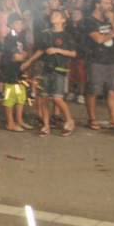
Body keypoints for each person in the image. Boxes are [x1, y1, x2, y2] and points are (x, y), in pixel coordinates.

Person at [22, 9, 76, 137]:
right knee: (44, 98)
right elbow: (41, 50)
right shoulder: (47, 34)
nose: (53, 16)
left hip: (60, 69)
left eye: (57, 15)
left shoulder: (66, 35)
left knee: (57, 98)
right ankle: (46, 126)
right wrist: (29, 61)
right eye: (53, 15)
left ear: (63, 20)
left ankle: (69, 121)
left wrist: (57, 50)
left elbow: (73, 53)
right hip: (47, 69)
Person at [81, 0, 114, 130]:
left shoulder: (109, 20)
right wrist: (112, 34)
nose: (109, 6)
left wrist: (113, 21)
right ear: (97, 5)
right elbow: (98, 39)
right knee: (93, 91)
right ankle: (92, 119)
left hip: (111, 60)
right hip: (95, 60)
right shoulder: (89, 21)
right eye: (106, 3)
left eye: (110, 3)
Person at [0, 13, 31, 132]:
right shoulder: (10, 38)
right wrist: (23, 57)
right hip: (9, 72)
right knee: (10, 98)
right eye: (17, 23)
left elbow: (26, 53)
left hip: (19, 72)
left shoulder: (20, 37)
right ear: (10, 25)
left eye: (21, 23)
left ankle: (19, 120)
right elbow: (17, 57)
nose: (20, 25)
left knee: (20, 97)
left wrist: (22, 56)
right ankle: (10, 122)